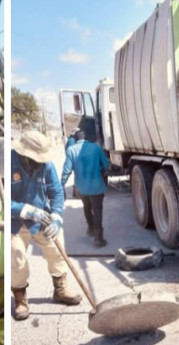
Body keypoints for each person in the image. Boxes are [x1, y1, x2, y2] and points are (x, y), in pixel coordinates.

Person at [10, 129, 82, 323]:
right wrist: (26, 210)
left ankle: (61, 289)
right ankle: (20, 300)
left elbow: (56, 192)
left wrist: (56, 217)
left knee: (57, 249)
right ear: (24, 153)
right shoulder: (8, 162)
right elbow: (2, 198)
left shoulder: (46, 165)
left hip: (42, 218)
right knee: (16, 257)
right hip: (15, 221)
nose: (39, 161)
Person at [61, 121, 111, 248]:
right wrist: (103, 169)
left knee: (86, 207)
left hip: (81, 188)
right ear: (86, 138)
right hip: (97, 187)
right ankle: (98, 238)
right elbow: (106, 165)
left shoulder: (71, 150)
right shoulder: (96, 148)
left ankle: (91, 228)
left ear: (75, 139)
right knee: (97, 210)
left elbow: (66, 170)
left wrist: (62, 184)